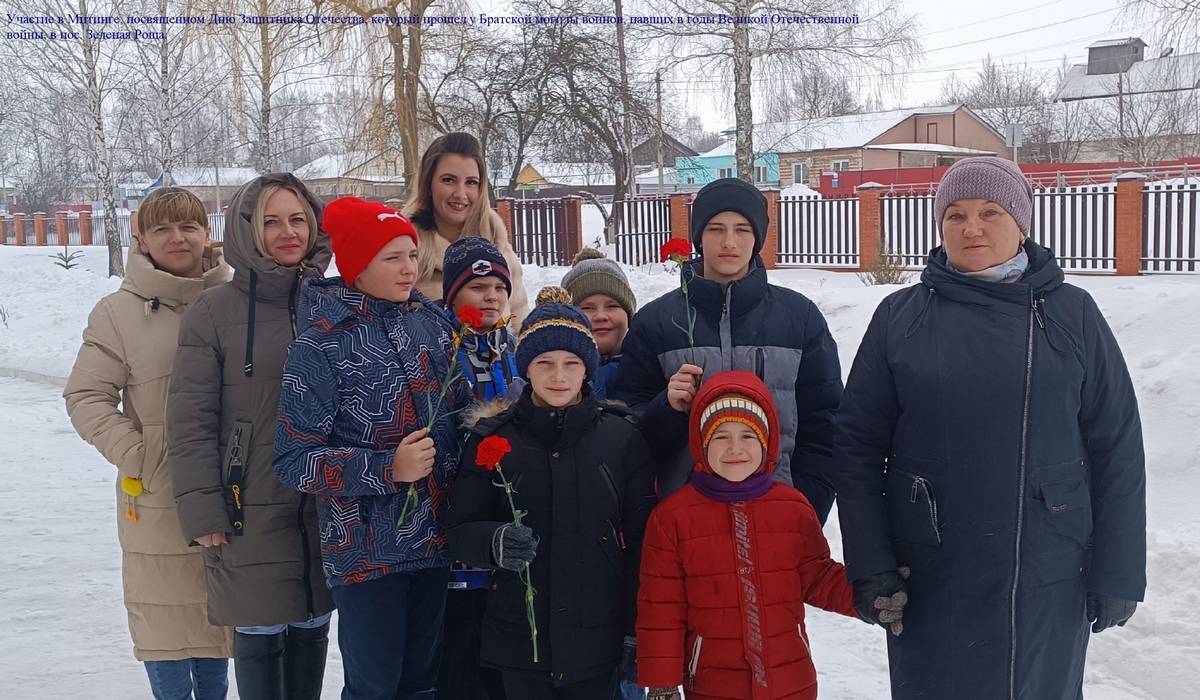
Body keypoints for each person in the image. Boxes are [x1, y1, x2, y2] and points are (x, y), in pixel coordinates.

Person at [834, 156, 1147, 699]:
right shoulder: (900, 317)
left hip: (1047, 567)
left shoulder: (1072, 314)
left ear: (1021, 223)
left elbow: (1116, 445)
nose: (971, 227)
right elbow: (857, 448)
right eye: (955, 214)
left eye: (990, 212)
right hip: (932, 569)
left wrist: (1119, 568)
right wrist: (871, 563)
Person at [273, 196, 471, 700]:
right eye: (392, 258)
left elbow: (460, 413)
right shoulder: (320, 345)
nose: (409, 268)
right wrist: (387, 468)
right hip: (366, 555)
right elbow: (293, 461)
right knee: (375, 687)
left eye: (412, 255)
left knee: (423, 684)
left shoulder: (431, 323)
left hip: (435, 540)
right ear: (358, 267)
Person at [167, 174, 335, 700]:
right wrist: (203, 511)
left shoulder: (335, 302)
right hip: (249, 505)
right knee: (260, 631)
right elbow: (191, 421)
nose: (288, 232)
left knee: (312, 626)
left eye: (298, 219)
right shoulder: (213, 312)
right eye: (271, 222)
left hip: (326, 502)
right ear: (247, 230)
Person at [64, 187, 234, 699]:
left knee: (220, 625)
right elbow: (86, 395)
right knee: (165, 625)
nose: (177, 238)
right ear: (141, 239)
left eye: (188, 226)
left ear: (207, 233)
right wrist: (141, 455)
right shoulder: (118, 313)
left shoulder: (237, 300)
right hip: (158, 497)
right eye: (162, 229)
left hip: (234, 489)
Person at [445, 287, 657, 700]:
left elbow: (643, 542)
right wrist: (493, 541)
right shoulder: (493, 439)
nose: (559, 376)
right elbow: (458, 528)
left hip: (596, 639)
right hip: (520, 641)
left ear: (587, 369)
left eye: (571, 363)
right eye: (545, 363)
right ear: (526, 367)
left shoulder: (621, 438)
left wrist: (637, 629)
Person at [612, 178, 842, 520]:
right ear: (699, 236)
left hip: (779, 517)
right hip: (685, 523)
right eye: (716, 229)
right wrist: (667, 408)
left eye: (742, 229)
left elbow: (826, 423)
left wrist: (806, 504)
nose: (729, 242)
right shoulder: (656, 322)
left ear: (757, 237)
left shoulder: (800, 319)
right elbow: (628, 424)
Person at [637, 371, 869, 700]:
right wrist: (662, 682)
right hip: (712, 686)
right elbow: (661, 606)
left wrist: (868, 596)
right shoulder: (672, 518)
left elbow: (817, 577)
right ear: (701, 443)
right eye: (720, 436)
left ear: (767, 441)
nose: (735, 448)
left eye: (748, 435)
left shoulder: (793, 507)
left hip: (791, 681)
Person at [437, 235, 522, 700]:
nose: (491, 297)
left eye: (499, 288)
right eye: (477, 287)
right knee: (460, 662)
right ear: (453, 295)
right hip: (454, 523)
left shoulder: (517, 350)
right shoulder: (437, 350)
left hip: (509, 521)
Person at [405, 131, 530, 325]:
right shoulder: (404, 251)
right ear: (428, 184)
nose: (460, 194)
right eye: (448, 180)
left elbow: (520, 328)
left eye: (471, 182)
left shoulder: (498, 247)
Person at [561, 248, 637, 401]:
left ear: (629, 315)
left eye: (612, 306)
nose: (601, 316)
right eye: (587, 308)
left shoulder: (648, 368)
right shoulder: (551, 372)